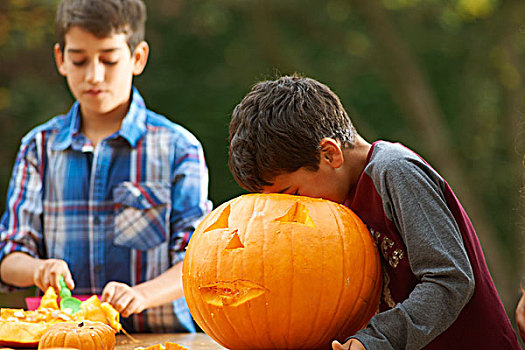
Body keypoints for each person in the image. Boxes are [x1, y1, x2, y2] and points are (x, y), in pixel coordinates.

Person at [228, 75, 521, 349]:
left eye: (292, 194)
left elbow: (450, 279)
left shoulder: (394, 172)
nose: (294, 208)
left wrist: (378, 339)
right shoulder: (336, 200)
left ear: (330, 154)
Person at [0, 0, 211, 333]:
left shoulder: (179, 149)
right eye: (79, 60)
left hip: (159, 339)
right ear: (61, 59)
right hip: (66, 338)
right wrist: (39, 270)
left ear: (137, 58)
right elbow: (8, 255)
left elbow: (197, 262)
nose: (94, 75)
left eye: (109, 59)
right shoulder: (38, 148)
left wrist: (140, 295)